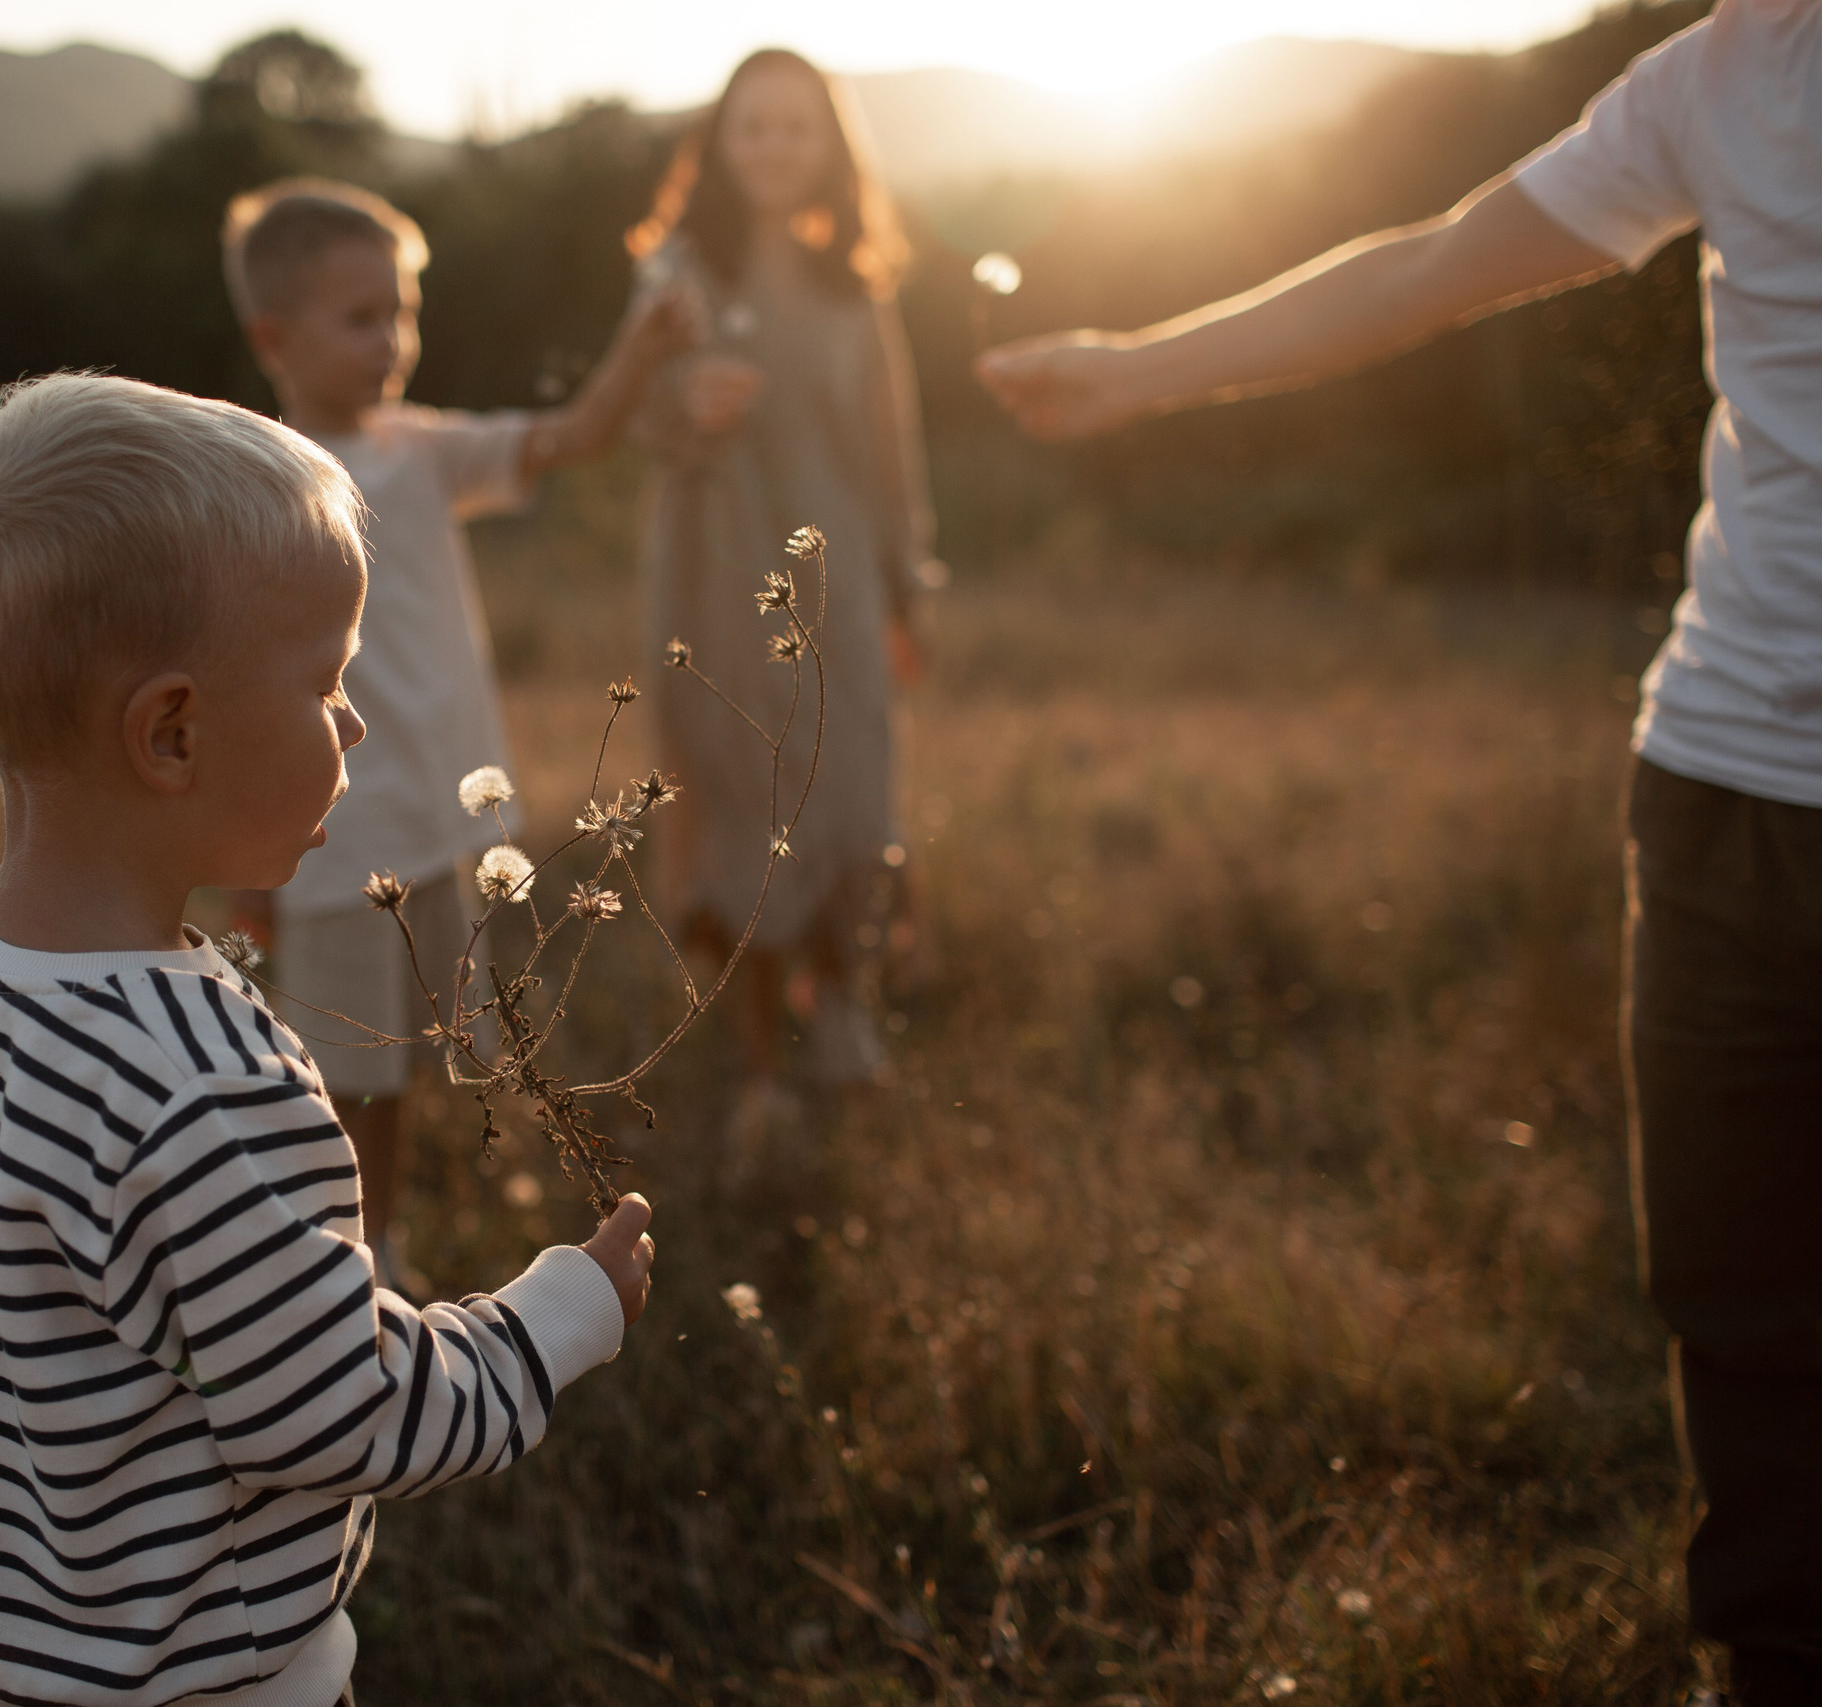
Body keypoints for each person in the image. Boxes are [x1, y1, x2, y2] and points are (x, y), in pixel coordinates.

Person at [978, 6, 1822, 1697]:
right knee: (1736, 1293)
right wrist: (1141, 365)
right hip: (1726, 768)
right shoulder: (1721, 75)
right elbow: (1429, 264)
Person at [0, 371, 658, 1707]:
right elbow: (338, 1408)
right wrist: (557, 1314)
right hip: (206, 1677)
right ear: (173, 732)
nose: (355, 721)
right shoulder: (201, 1082)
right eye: (326, 682)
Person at [219, 179, 689, 1275]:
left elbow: (574, 434)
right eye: (359, 318)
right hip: (329, 842)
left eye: (402, 312)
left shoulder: (424, 451)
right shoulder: (254, 485)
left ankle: (433, 1207)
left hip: (443, 820)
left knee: (460, 1044)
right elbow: (241, 677)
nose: (391, 340)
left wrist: (644, 335)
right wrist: (245, 857)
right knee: (347, 1071)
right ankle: (359, 1254)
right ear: (273, 337)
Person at [624, 49, 940, 1119]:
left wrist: (908, 586)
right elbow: (628, 406)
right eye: (751, 127)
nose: (771, 147)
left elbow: (892, 450)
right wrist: (678, 396)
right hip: (714, 576)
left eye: (794, 129)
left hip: (836, 579)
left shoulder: (853, 288)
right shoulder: (675, 272)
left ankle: (842, 1007)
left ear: (830, 150)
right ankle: (759, 1067)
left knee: (851, 793)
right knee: (741, 801)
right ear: (717, 142)